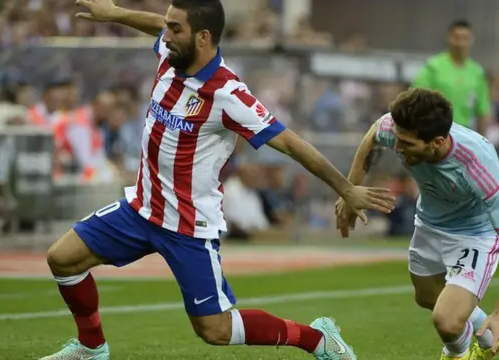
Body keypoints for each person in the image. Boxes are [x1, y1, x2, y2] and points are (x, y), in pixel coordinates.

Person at [40, 0, 397, 360]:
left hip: (188, 226)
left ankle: (317, 339)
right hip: (141, 208)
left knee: (215, 330)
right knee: (63, 258)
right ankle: (91, 347)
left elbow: (289, 142)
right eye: (168, 25)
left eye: (176, 29)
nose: (166, 34)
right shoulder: (170, 54)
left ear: (203, 37)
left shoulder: (228, 94)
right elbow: (156, 25)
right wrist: (114, 13)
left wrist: (347, 188)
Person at [335, 88, 499, 360]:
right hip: (429, 223)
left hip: (474, 235)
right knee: (426, 298)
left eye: (406, 143)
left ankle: (459, 355)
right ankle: (486, 340)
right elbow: (373, 136)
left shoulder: (477, 162)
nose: (397, 147)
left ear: (437, 142)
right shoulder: (397, 129)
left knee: (447, 320)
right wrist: (350, 191)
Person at [412, 20, 492, 136]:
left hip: (464, 136)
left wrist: (483, 143)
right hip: (435, 134)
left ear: (471, 40)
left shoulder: (477, 73)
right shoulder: (433, 67)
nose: (460, 43)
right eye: (456, 38)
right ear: (449, 38)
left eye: (465, 38)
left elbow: (483, 111)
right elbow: (416, 99)